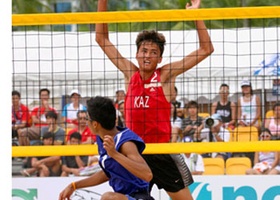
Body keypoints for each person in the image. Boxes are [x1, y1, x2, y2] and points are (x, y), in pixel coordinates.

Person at [95, 0, 213, 199]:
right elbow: (101, 38)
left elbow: (206, 49)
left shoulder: (165, 75)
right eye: (144, 51)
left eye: (153, 53)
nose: (147, 56)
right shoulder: (129, 72)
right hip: (134, 153)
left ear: (159, 58)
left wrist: (195, 14)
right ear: (137, 54)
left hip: (161, 151)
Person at [59, 96, 154, 200]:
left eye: (87, 119)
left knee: (108, 197)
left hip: (140, 196)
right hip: (124, 196)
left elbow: (147, 174)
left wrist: (115, 154)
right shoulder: (101, 139)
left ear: (95, 124)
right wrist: (74, 185)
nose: (86, 122)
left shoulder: (125, 143)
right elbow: (107, 172)